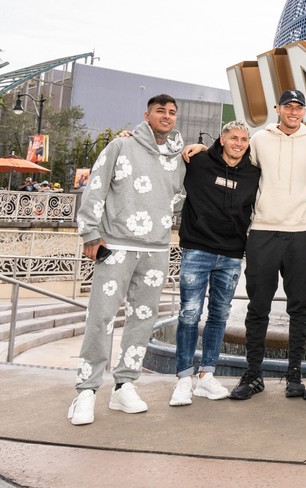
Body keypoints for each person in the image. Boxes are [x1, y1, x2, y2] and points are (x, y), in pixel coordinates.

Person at [67, 94, 186, 426]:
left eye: (172, 113)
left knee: (143, 319)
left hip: (157, 249)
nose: (166, 116)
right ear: (147, 114)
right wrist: (90, 233)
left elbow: (179, 198)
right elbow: (96, 187)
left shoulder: (177, 157)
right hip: (116, 245)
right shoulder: (121, 146)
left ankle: (124, 384)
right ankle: (87, 390)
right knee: (101, 316)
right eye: (160, 111)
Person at [229, 89, 306, 401]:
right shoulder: (259, 139)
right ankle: (253, 374)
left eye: (299, 107)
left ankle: (294, 374)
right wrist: (197, 150)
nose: (293, 111)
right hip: (263, 231)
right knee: (258, 307)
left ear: (304, 112)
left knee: (299, 307)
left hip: (301, 233)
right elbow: (234, 161)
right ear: (278, 108)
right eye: (288, 106)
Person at [169, 121, 260, 407]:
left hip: (232, 253)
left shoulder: (253, 173)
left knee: (220, 315)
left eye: (244, 139)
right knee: (189, 314)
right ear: (221, 139)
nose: (239, 143)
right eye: (233, 137)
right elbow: (162, 163)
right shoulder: (197, 162)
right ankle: (184, 378)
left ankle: (207, 375)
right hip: (198, 249)